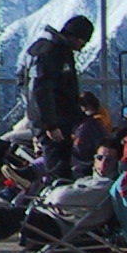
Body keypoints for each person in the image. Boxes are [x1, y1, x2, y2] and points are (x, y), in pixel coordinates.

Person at [23, 15, 94, 181]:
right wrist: (50, 124)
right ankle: (56, 201)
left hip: (51, 120)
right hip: (56, 122)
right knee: (58, 168)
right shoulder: (53, 52)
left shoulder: (43, 48)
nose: (82, 47)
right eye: (83, 42)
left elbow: (29, 87)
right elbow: (42, 90)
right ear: (76, 36)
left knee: (56, 164)